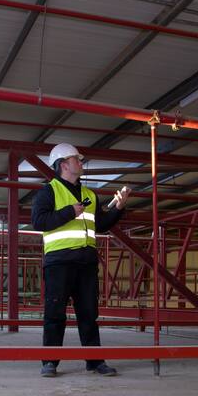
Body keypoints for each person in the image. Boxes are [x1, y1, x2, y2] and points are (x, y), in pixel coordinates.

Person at [31, 143, 131, 377]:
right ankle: (50, 362)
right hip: (59, 262)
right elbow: (39, 222)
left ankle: (95, 362)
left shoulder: (90, 195)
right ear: (63, 164)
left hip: (86, 263)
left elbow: (102, 225)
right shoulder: (49, 191)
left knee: (88, 314)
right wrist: (68, 212)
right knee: (55, 313)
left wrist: (119, 207)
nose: (81, 163)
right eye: (77, 159)